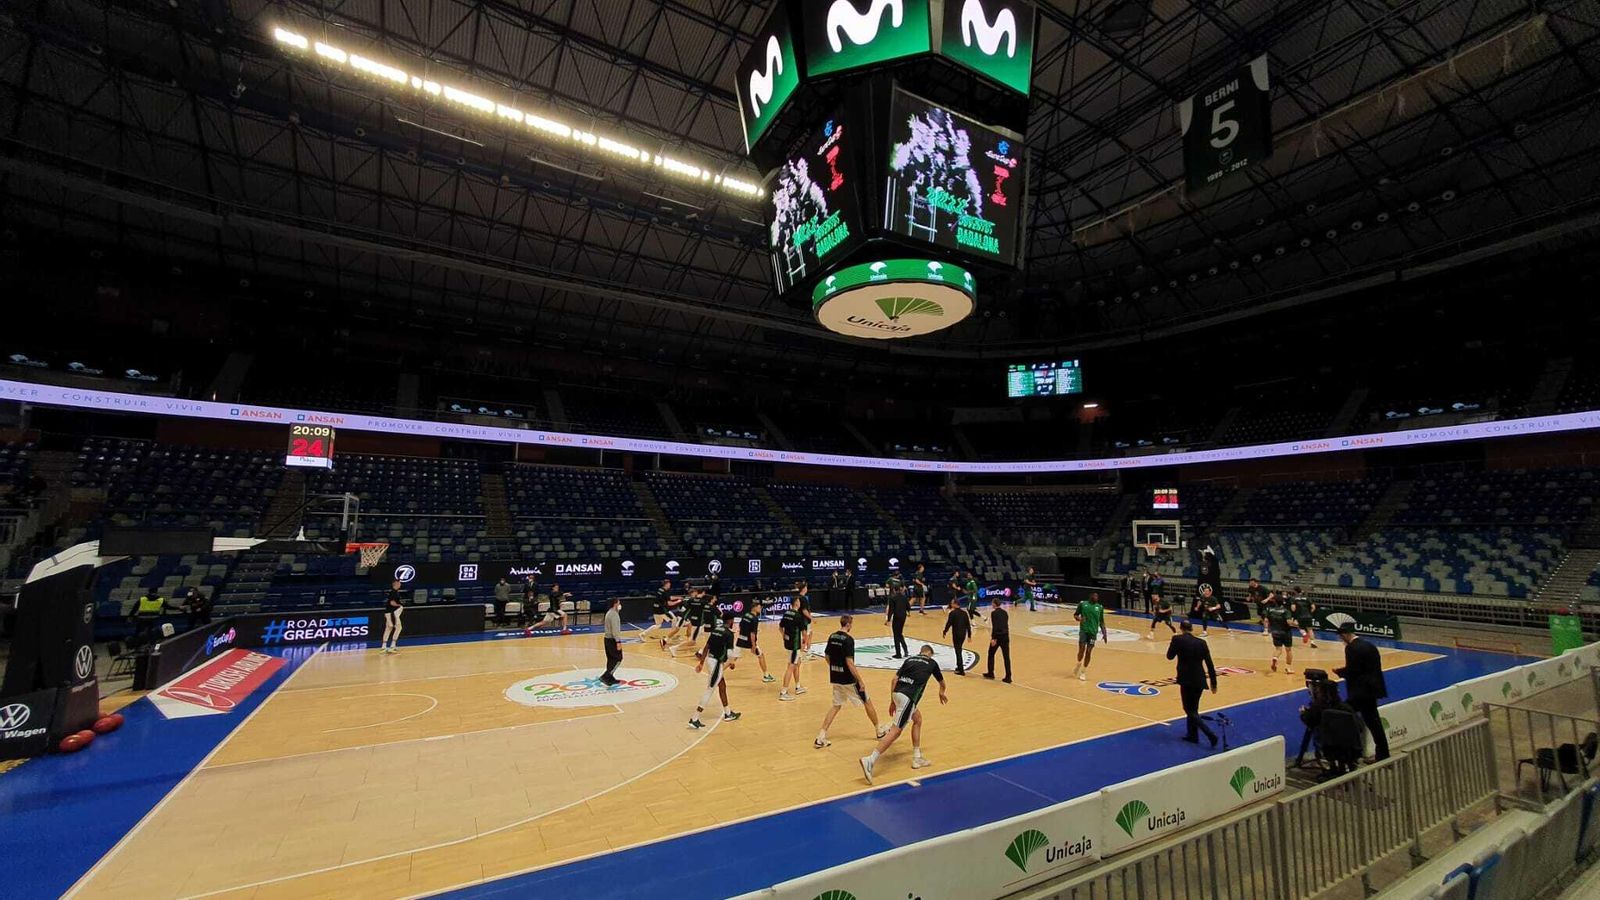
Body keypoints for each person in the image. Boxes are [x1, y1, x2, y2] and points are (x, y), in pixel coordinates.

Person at [859, 644, 947, 784]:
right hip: (909, 697)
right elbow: (942, 682)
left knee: (917, 719)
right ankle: (870, 760)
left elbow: (894, 679)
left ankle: (917, 757)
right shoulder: (932, 663)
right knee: (896, 731)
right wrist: (941, 692)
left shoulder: (909, 660)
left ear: (920, 652)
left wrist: (892, 701)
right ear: (930, 654)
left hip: (897, 693)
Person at [816, 615, 887, 748]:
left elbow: (826, 656)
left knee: (836, 706)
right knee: (867, 701)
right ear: (848, 624)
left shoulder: (832, 636)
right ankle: (879, 730)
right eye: (851, 624)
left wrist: (835, 668)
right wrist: (860, 681)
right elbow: (850, 662)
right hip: (848, 680)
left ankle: (821, 736)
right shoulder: (848, 640)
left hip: (835, 677)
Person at [1334, 623, 1390, 760]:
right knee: (1374, 723)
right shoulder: (1369, 645)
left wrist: (1340, 672)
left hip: (1360, 692)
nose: (1342, 641)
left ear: (1345, 635)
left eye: (1341, 638)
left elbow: (1353, 670)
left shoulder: (1351, 648)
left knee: (1341, 714)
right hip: (1372, 689)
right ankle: (1383, 754)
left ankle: (1348, 752)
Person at [1167, 621, 1219, 747]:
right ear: (1191, 628)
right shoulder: (1202, 643)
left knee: (1188, 709)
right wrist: (1213, 682)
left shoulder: (1177, 639)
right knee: (1194, 708)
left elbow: (1169, 656)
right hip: (1200, 679)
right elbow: (1210, 664)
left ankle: (1210, 734)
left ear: (1181, 628)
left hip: (1186, 679)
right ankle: (1192, 735)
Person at [689, 610, 742, 729]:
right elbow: (729, 654)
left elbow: (707, 647)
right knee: (710, 689)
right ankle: (694, 718)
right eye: (733, 620)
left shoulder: (716, 630)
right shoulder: (729, 634)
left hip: (709, 660)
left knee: (722, 686)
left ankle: (728, 713)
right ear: (730, 621)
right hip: (717, 664)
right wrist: (732, 663)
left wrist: (701, 663)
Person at [734, 600, 776, 683]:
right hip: (749, 642)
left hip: (740, 640)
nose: (760, 609)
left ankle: (718, 673)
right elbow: (752, 634)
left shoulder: (745, 615)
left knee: (732, 659)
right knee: (761, 655)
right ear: (755, 607)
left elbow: (740, 626)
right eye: (759, 607)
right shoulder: (754, 619)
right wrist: (753, 646)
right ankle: (766, 675)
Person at [778, 596, 810, 701]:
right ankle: (783, 692)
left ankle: (798, 686)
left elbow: (780, 627)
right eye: (799, 602)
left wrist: (784, 636)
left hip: (787, 644)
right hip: (795, 645)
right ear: (796, 603)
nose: (800, 603)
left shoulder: (786, 613)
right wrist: (805, 642)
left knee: (797, 663)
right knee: (791, 667)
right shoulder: (798, 616)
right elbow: (804, 633)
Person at [1073, 592, 1108, 682]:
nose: (1096, 597)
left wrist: (1104, 633)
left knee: (1088, 652)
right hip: (1083, 630)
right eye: (1094, 595)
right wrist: (1079, 619)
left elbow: (1101, 621)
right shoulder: (1083, 604)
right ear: (1090, 596)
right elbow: (1076, 615)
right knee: (1081, 649)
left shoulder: (1099, 607)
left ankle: (1083, 672)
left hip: (1093, 633)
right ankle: (1078, 663)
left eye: (1097, 596)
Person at [1262, 591, 1295, 675]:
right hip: (1285, 632)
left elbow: (1266, 620)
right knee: (1288, 650)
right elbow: (1289, 622)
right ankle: (1288, 668)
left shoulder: (1269, 609)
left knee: (1278, 649)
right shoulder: (1285, 611)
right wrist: (1296, 624)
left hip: (1275, 632)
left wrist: (1266, 629)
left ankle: (1275, 658)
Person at [984, 598, 1011, 682]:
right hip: (1006, 636)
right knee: (1006, 657)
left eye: (992, 603)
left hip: (998, 636)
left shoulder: (994, 613)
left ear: (995, 604)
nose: (992, 605)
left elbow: (995, 626)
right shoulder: (1005, 612)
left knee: (991, 654)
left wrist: (993, 638)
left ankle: (991, 673)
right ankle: (1008, 676)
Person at [942, 597, 971, 676]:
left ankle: (961, 670)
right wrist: (969, 635)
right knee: (959, 650)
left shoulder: (952, 613)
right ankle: (959, 667)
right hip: (963, 635)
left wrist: (945, 631)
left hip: (956, 634)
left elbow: (949, 623)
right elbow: (968, 624)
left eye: (952, 603)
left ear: (955, 604)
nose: (951, 604)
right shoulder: (964, 613)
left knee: (958, 651)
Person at [641, 579, 674, 645]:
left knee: (658, 625)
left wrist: (678, 597)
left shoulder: (659, 589)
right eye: (669, 584)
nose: (670, 585)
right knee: (674, 619)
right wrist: (679, 600)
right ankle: (670, 636)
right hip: (662, 610)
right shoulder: (665, 592)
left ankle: (642, 634)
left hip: (655, 609)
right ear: (666, 584)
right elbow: (670, 603)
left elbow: (669, 598)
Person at [885, 576, 911, 659]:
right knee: (899, 633)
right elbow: (908, 607)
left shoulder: (893, 598)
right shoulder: (904, 597)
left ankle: (898, 653)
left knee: (896, 635)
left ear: (893, 590)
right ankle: (906, 650)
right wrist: (907, 611)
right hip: (903, 617)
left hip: (897, 617)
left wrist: (888, 620)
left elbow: (891, 610)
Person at [601, 597, 624, 686]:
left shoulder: (610, 612)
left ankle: (610, 678)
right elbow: (615, 630)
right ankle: (606, 676)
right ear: (615, 604)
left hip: (607, 639)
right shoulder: (613, 615)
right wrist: (618, 642)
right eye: (619, 603)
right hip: (612, 640)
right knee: (618, 658)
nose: (619, 605)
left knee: (611, 659)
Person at [381, 579, 405, 654]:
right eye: (399, 583)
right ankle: (392, 646)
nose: (400, 584)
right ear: (396, 584)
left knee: (388, 628)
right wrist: (399, 605)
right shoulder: (394, 592)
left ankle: (383, 647)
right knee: (398, 627)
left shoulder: (393, 592)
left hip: (388, 613)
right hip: (392, 613)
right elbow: (392, 602)